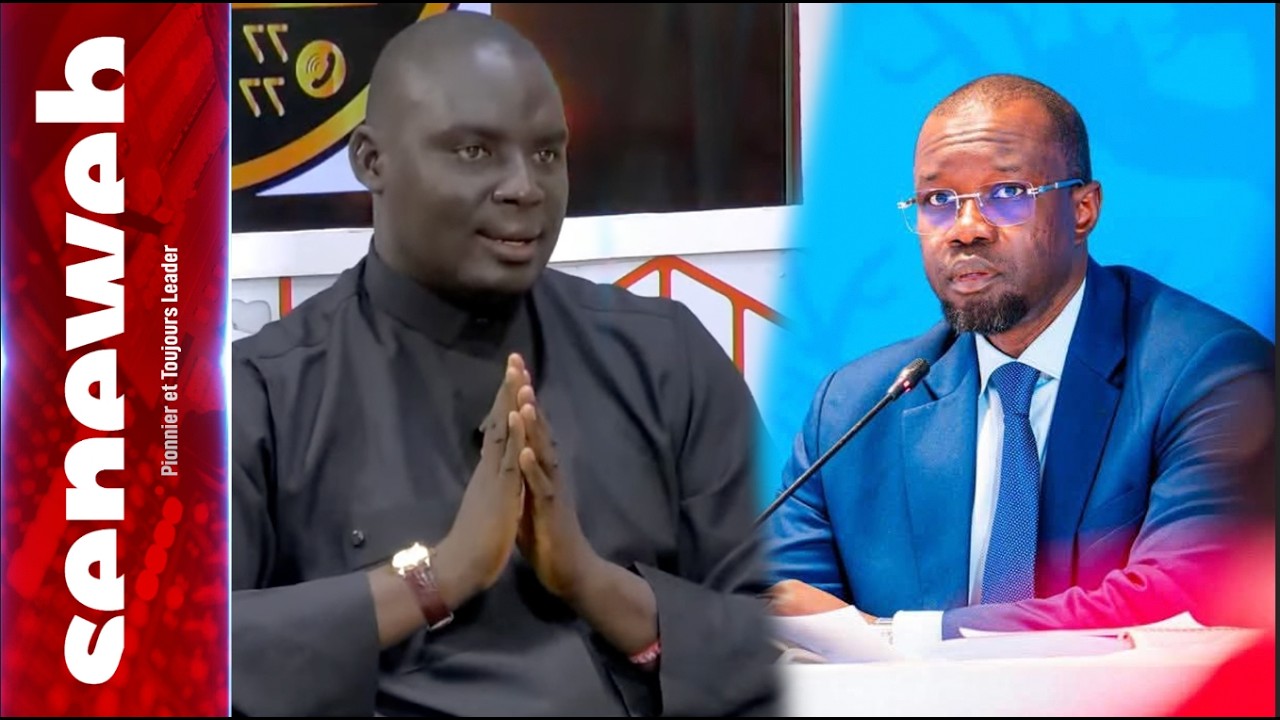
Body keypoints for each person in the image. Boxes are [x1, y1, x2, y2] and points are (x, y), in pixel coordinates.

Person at [230, 11, 778, 716]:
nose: (525, 186)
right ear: (371, 160)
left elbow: (775, 627)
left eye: (548, 154)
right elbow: (181, 647)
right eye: (474, 151)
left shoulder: (667, 358)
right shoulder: (265, 394)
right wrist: (439, 578)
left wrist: (588, 579)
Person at [763, 73, 1275, 649]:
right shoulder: (854, 407)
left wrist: (893, 637)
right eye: (938, 201)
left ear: (1083, 209)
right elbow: (786, 614)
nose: (966, 231)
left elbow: (1178, 605)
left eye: (1006, 194)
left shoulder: (1211, 374)